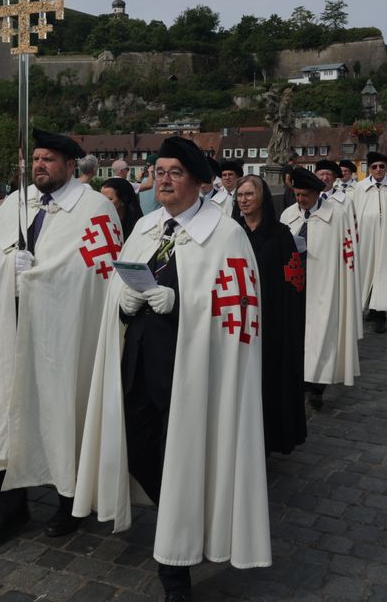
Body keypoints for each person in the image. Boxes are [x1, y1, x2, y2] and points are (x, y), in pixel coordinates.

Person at [74, 136, 271, 602]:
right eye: (159, 171)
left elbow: (239, 311)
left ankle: (175, 567)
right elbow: (121, 284)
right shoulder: (144, 227)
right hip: (140, 361)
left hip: (191, 371)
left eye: (174, 172)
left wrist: (182, 305)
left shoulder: (225, 235)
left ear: (198, 182)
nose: (163, 179)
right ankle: (179, 514)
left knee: (183, 451)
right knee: (142, 450)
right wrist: (120, 305)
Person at [0, 129, 122, 549]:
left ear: (70, 165)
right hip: (9, 330)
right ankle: (7, 508)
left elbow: (96, 273)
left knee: (62, 411)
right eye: (35, 159)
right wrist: (7, 266)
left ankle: (71, 501)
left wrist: (37, 276)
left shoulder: (96, 208)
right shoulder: (16, 202)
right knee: (2, 414)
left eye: (49, 159)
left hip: (61, 335)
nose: (39, 166)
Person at [232, 174, 307, 455]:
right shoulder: (231, 232)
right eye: (240, 195)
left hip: (271, 324)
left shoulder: (280, 236)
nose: (244, 200)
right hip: (237, 322)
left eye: (249, 194)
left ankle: (265, 441)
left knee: (267, 382)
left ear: (262, 198)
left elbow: (292, 286)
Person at [281, 167, 361, 411]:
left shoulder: (337, 215)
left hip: (325, 284)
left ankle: (318, 386)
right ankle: (299, 378)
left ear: (317, 193)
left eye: (305, 195)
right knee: (296, 333)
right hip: (294, 284)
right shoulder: (288, 215)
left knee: (322, 334)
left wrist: (344, 283)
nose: (300, 200)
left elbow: (348, 251)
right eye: (296, 195)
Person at [349, 151, 387, 333]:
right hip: (366, 238)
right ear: (369, 168)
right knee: (365, 272)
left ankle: (380, 314)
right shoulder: (360, 187)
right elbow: (354, 213)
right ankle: (368, 305)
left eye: (382, 166)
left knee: (384, 274)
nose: (378, 170)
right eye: (374, 167)